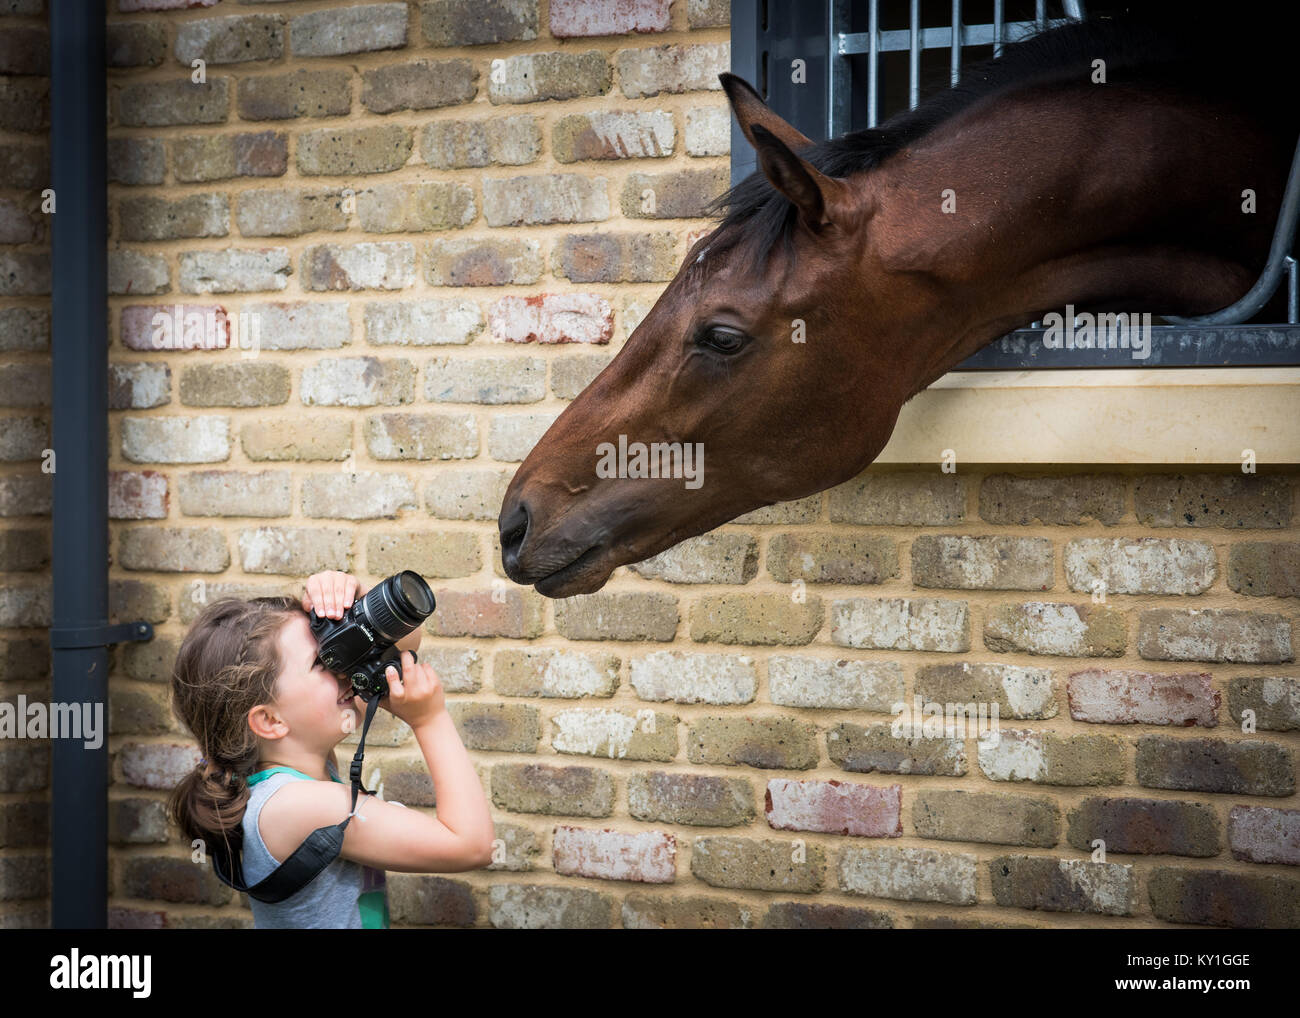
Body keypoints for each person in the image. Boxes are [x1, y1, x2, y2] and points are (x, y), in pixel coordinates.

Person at [166, 570, 495, 928]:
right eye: (322, 662)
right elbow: (472, 845)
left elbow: (406, 640)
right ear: (270, 720)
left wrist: (354, 595)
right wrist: (428, 720)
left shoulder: (291, 768)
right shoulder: (299, 805)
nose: (344, 669)